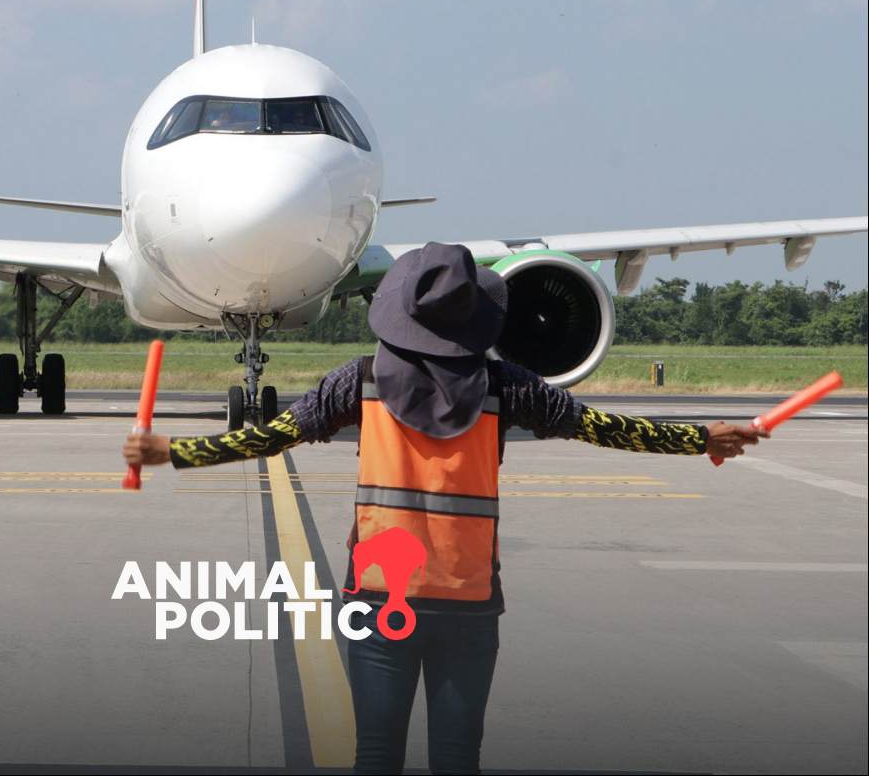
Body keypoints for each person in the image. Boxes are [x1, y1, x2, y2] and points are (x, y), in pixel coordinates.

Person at [123, 243, 766, 775]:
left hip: (379, 602)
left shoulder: (358, 382)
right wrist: (699, 439)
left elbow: (269, 437)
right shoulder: (506, 388)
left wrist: (175, 452)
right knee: (458, 759)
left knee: (375, 757)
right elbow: (603, 427)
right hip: (468, 602)